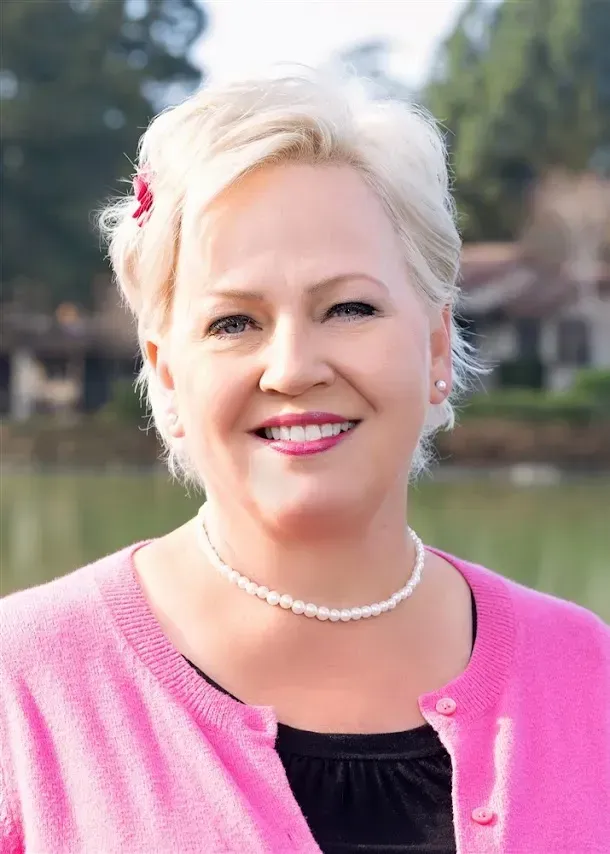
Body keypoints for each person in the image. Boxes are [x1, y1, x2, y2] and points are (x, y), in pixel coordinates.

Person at [0, 69, 608, 854]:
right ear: (168, 373)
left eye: (348, 308)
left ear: (432, 348)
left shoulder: (586, 673)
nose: (292, 367)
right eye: (233, 322)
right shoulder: (20, 687)